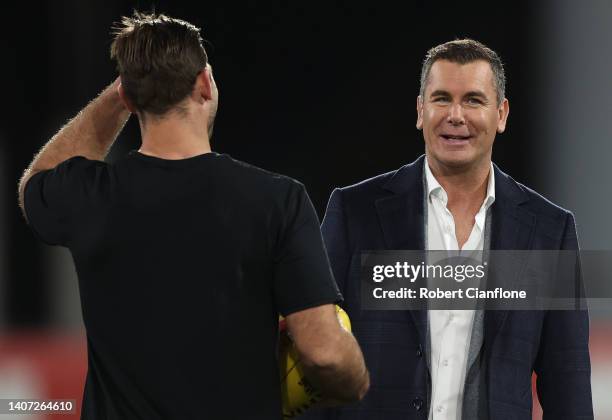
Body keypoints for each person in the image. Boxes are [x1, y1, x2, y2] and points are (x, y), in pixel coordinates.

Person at [17, 12, 369, 419]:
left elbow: (36, 180)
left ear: (130, 99)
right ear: (205, 83)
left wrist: (120, 94)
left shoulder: (92, 195)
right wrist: (356, 376)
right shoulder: (276, 200)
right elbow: (324, 354)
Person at [301, 39, 593, 419]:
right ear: (421, 111)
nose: (456, 115)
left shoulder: (549, 232)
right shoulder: (355, 212)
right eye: (441, 98)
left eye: (473, 100)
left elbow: (566, 381)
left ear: (501, 114)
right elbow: (316, 354)